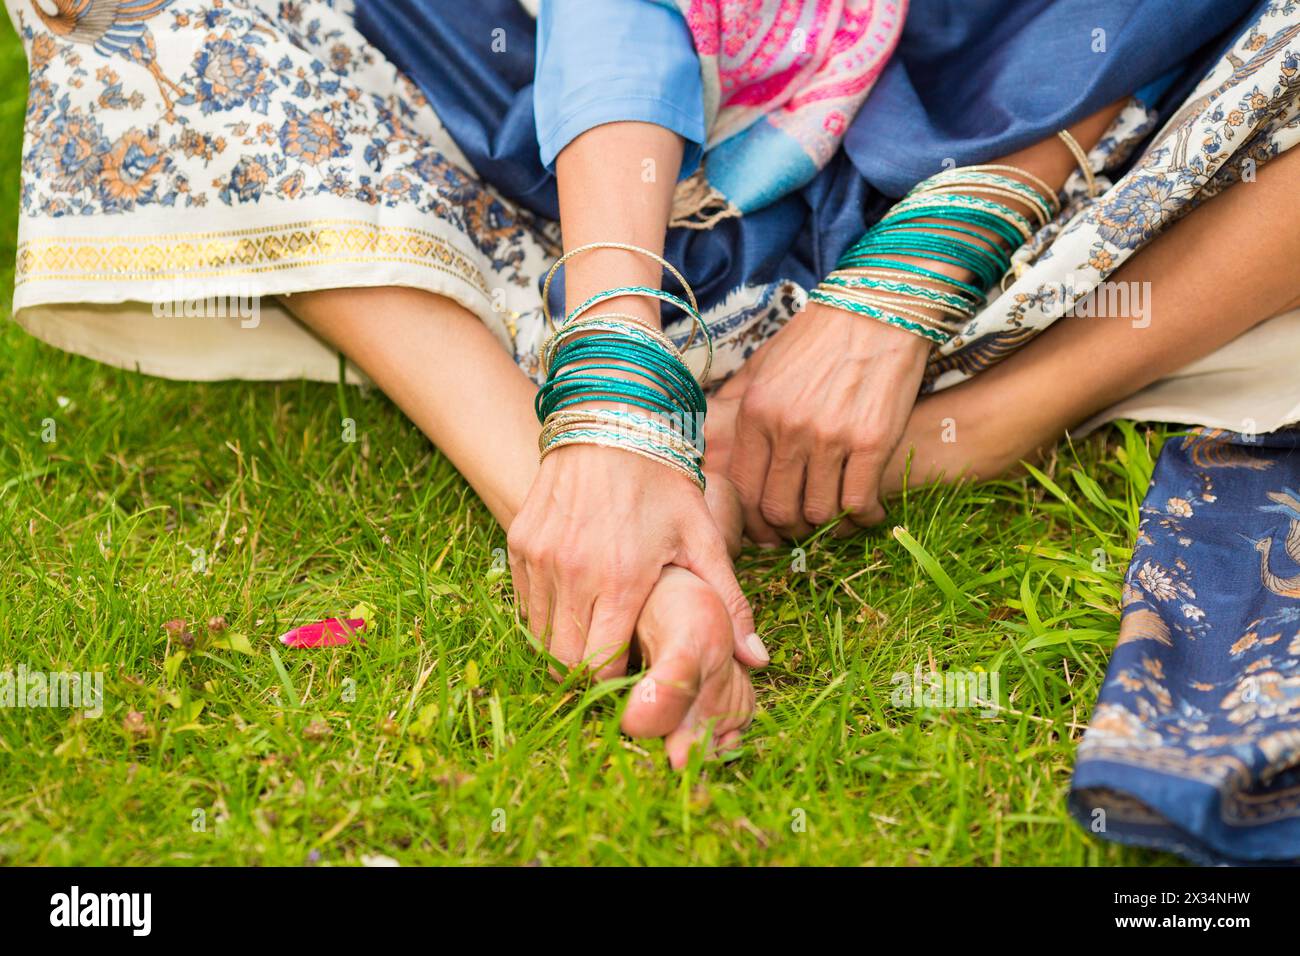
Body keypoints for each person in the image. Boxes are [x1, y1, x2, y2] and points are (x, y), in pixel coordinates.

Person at [10, 0, 1300, 807]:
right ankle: (596, 495)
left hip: (1039, 131)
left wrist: (941, 248)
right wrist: (617, 368)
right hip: (594, 155)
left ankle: (976, 426)